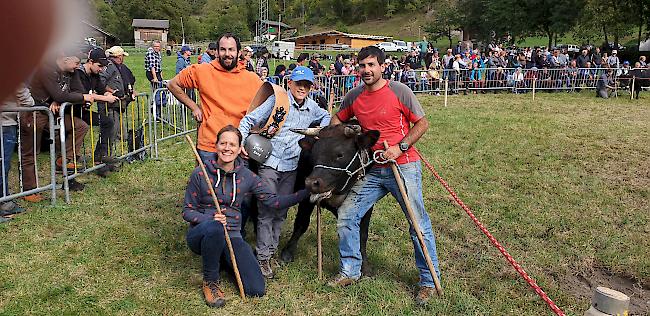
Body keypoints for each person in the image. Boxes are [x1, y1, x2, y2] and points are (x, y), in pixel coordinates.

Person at [327, 46, 441, 306]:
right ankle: (350, 271)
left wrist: (400, 147)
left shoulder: (400, 91)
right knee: (346, 215)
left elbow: (422, 123)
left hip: (403, 166)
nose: (366, 70)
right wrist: (344, 134)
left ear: (382, 66)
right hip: (373, 170)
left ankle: (428, 282)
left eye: (371, 65)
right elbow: (337, 119)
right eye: (362, 66)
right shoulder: (354, 96)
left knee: (417, 224)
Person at [183, 125, 309, 308]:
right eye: (223, 143)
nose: (227, 148)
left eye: (232, 144)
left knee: (256, 289)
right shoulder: (200, 173)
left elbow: (274, 202)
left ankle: (224, 259)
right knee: (215, 227)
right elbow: (187, 211)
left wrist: (307, 192)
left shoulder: (247, 177)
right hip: (202, 235)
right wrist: (209, 220)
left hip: (232, 235)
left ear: (240, 148)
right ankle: (211, 281)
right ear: (216, 146)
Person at [238, 66, 331, 278]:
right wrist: (241, 141)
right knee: (267, 209)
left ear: (311, 87)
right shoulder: (278, 101)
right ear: (290, 83)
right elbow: (248, 120)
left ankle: (270, 252)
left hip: (291, 166)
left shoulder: (312, 107)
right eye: (299, 83)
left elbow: (326, 116)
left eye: (307, 85)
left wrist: (320, 131)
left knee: (281, 211)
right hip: (269, 163)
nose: (302, 88)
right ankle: (263, 257)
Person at [21, 51, 117, 202]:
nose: (78, 66)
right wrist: (59, 97)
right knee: (31, 152)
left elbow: (77, 91)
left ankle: (64, 160)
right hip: (35, 113)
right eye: (76, 63)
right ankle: (29, 190)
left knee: (81, 126)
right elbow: (68, 95)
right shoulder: (46, 69)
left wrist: (58, 98)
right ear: (65, 59)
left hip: (52, 112)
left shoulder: (70, 72)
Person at [167, 33, 263, 164]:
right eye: (223, 49)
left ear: (239, 52)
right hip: (209, 146)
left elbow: (268, 103)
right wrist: (194, 107)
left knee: (238, 185)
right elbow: (172, 84)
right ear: (217, 52)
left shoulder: (252, 79)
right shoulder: (202, 71)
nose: (227, 53)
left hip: (238, 147)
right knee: (206, 184)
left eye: (231, 49)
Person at [0, 84, 33, 220]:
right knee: (2, 166)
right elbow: (26, 100)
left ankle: (5, 202)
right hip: (5, 124)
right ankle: (4, 202)